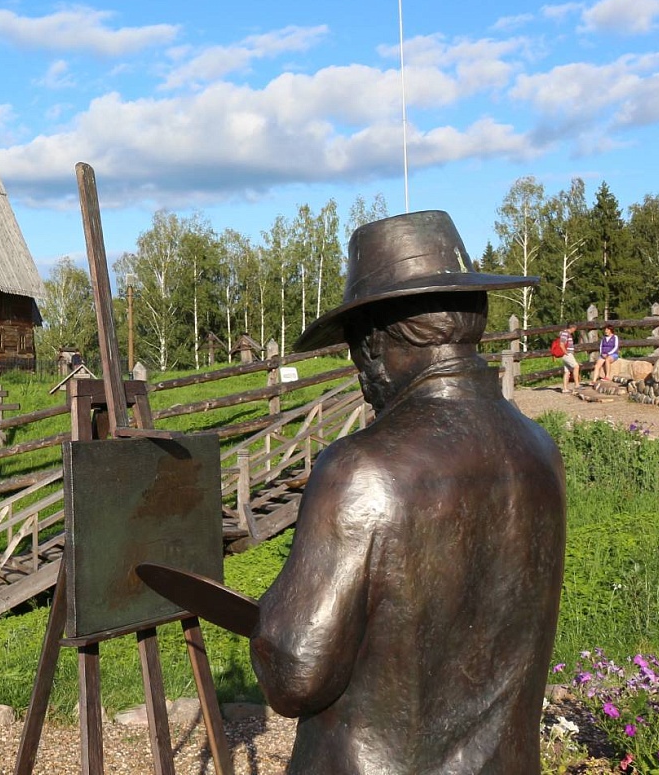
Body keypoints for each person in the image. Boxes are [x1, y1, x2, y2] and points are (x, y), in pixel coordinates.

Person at [247, 211, 566, 772]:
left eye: (355, 346)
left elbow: (295, 675)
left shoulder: (361, 470)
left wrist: (273, 618)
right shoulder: (540, 451)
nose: (359, 370)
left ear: (374, 342)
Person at [559, 322, 581, 393]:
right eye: (575, 328)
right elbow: (561, 344)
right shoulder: (565, 333)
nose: (575, 330)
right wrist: (566, 353)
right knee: (576, 366)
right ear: (572, 328)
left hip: (567, 354)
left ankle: (565, 388)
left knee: (567, 371)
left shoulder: (567, 334)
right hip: (567, 354)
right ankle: (577, 384)